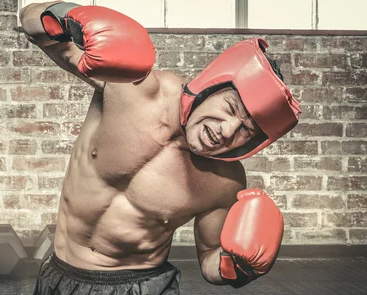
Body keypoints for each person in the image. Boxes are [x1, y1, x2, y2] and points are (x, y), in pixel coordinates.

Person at [19, 2, 302, 294]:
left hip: (141, 287)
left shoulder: (224, 182)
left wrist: (236, 267)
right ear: (211, 85)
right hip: (59, 276)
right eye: (230, 107)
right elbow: (31, 23)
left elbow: (209, 258)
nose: (227, 130)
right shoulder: (132, 86)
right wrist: (66, 18)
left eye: (246, 130)